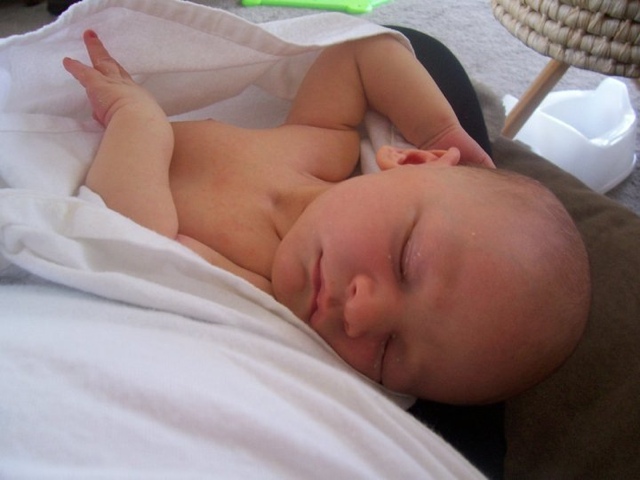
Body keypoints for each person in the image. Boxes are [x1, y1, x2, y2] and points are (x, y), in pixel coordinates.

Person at [63, 27, 590, 407]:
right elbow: (362, 53)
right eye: (405, 261)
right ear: (409, 161)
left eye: (387, 352)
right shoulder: (323, 145)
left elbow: (133, 246)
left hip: (76, 159)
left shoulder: (260, 290)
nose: (361, 314)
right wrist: (440, 131)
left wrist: (136, 123)